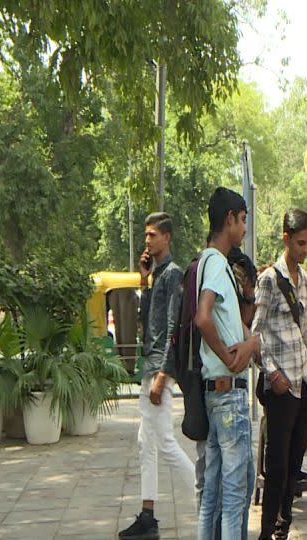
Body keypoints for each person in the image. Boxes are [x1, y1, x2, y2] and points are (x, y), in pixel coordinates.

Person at [119, 213, 196, 540]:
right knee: (145, 442)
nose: (147, 241)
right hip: (150, 367)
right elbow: (145, 322)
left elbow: (172, 330)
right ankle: (148, 516)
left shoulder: (174, 275)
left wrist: (164, 372)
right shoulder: (157, 276)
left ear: (167, 237)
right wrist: (143, 280)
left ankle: (205, 496)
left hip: (158, 370)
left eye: (152, 235)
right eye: (146, 236)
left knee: (163, 442)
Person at [195, 187, 258, 540]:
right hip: (228, 393)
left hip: (215, 393)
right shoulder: (217, 262)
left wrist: (249, 342)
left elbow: (218, 319)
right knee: (235, 494)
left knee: (213, 496)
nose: (245, 228)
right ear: (230, 219)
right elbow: (203, 318)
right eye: (243, 219)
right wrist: (232, 356)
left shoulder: (208, 261)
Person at [253, 209, 307, 540]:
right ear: (286, 239)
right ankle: (266, 531)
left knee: (295, 463)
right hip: (281, 386)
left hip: (304, 385)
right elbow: (256, 332)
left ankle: (284, 526)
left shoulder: (305, 281)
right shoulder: (269, 280)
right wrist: (271, 372)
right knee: (276, 466)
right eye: (299, 243)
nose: (304, 249)